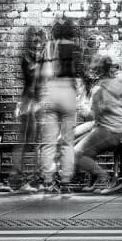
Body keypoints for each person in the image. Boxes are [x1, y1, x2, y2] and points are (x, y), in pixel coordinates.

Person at [74, 53, 122, 195]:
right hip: (119, 131)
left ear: (96, 71)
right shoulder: (119, 82)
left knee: (76, 154)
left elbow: (94, 116)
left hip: (108, 131)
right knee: (83, 148)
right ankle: (96, 177)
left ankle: (104, 178)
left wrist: (80, 106)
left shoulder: (98, 91)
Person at [38, 18, 83, 196]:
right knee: (67, 143)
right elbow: (80, 73)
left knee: (48, 142)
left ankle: (48, 181)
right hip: (69, 93)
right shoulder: (76, 48)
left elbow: (43, 73)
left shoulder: (49, 47)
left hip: (51, 90)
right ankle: (65, 181)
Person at [6, 25, 45, 193]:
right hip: (30, 103)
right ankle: (22, 179)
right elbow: (32, 83)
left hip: (30, 102)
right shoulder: (29, 58)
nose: (37, 40)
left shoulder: (33, 57)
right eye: (35, 37)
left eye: (39, 37)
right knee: (29, 142)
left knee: (30, 142)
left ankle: (21, 179)